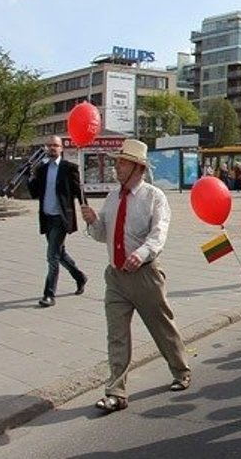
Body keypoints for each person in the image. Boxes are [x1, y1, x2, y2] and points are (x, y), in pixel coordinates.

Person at [79, 139, 190, 413]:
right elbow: (102, 235)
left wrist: (140, 254)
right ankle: (116, 391)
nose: (117, 167)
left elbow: (158, 234)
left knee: (161, 326)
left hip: (144, 275)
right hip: (116, 277)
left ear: (138, 167)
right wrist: (93, 221)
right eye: (117, 162)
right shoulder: (112, 197)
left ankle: (180, 370)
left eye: (122, 162)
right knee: (116, 334)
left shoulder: (154, 197)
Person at [27, 135, 88, 307]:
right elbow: (35, 193)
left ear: (61, 148)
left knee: (52, 256)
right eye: (49, 145)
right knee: (59, 254)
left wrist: (86, 210)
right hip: (47, 217)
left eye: (55, 145)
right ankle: (80, 277)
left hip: (61, 218)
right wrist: (31, 176)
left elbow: (78, 191)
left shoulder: (69, 168)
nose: (52, 148)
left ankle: (49, 295)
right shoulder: (42, 169)